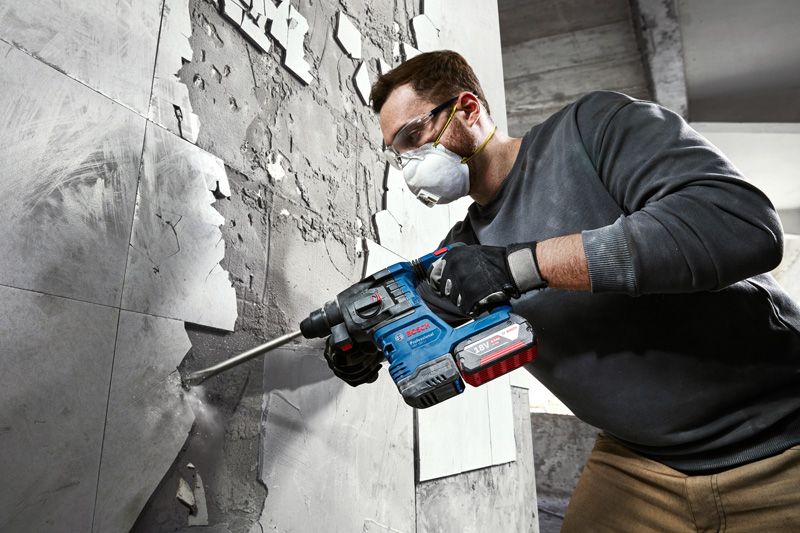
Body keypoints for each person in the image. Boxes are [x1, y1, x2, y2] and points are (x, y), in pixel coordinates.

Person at [326, 49, 800, 531]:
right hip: (639, 462)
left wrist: (522, 266)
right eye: (398, 152)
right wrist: (363, 340)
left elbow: (739, 226)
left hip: (781, 439)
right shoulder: (465, 250)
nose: (410, 164)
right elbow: (412, 313)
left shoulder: (591, 129)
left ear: (468, 109)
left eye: (414, 137)